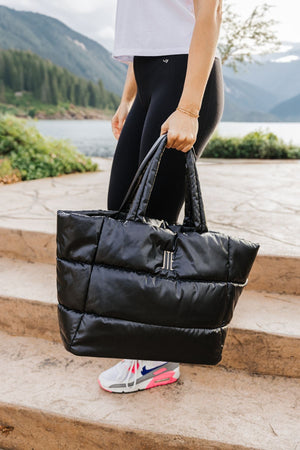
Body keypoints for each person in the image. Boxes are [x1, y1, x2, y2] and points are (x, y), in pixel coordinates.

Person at [98, 0, 224, 393]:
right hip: (150, 76)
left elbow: (210, 14)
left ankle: (157, 359)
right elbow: (145, 32)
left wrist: (188, 108)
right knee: (122, 212)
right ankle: (141, 343)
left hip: (185, 77)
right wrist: (127, 98)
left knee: (154, 222)